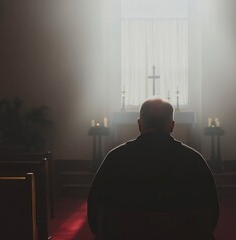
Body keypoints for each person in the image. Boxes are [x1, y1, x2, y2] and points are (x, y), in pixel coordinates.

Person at [87, 97, 220, 240]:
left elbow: (95, 212)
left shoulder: (114, 158)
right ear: (172, 126)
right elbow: (211, 213)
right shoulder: (194, 160)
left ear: (139, 124)